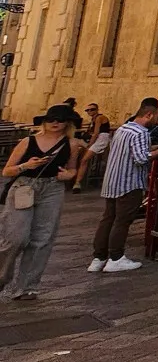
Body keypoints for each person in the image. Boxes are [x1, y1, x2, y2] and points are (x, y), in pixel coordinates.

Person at [1, 105, 80, 299]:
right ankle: (2, 278)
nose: (55, 123)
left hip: (53, 189)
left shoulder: (71, 144)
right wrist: (25, 166)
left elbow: (72, 170)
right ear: (44, 121)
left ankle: (27, 287)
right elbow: (7, 171)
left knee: (42, 238)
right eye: (51, 119)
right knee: (15, 237)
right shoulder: (28, 141)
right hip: (24, 187)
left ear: (67, 123)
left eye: (60, 120)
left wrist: (67, 176)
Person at [89, 102, 158, 273]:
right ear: (149, 115)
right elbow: (142, 158)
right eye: (157, 118)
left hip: (113, 180)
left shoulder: (124, 128)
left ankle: (98, 258)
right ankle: (116, 257)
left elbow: (133, 150)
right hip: (129, 182)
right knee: (122, 221)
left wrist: (157, 146)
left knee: (108, 219)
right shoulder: (142, 132)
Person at [72, 103, 113, 190]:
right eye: (88, 110)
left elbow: (96, 133)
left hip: (101, 139)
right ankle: (77, 181)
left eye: (92, 109)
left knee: (84, 160)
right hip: (99, 139)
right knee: (82, 156)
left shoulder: (99, 118)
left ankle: (77, 183)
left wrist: (89, 145)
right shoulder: (93, 119)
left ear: (97, 109)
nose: (90, 111)